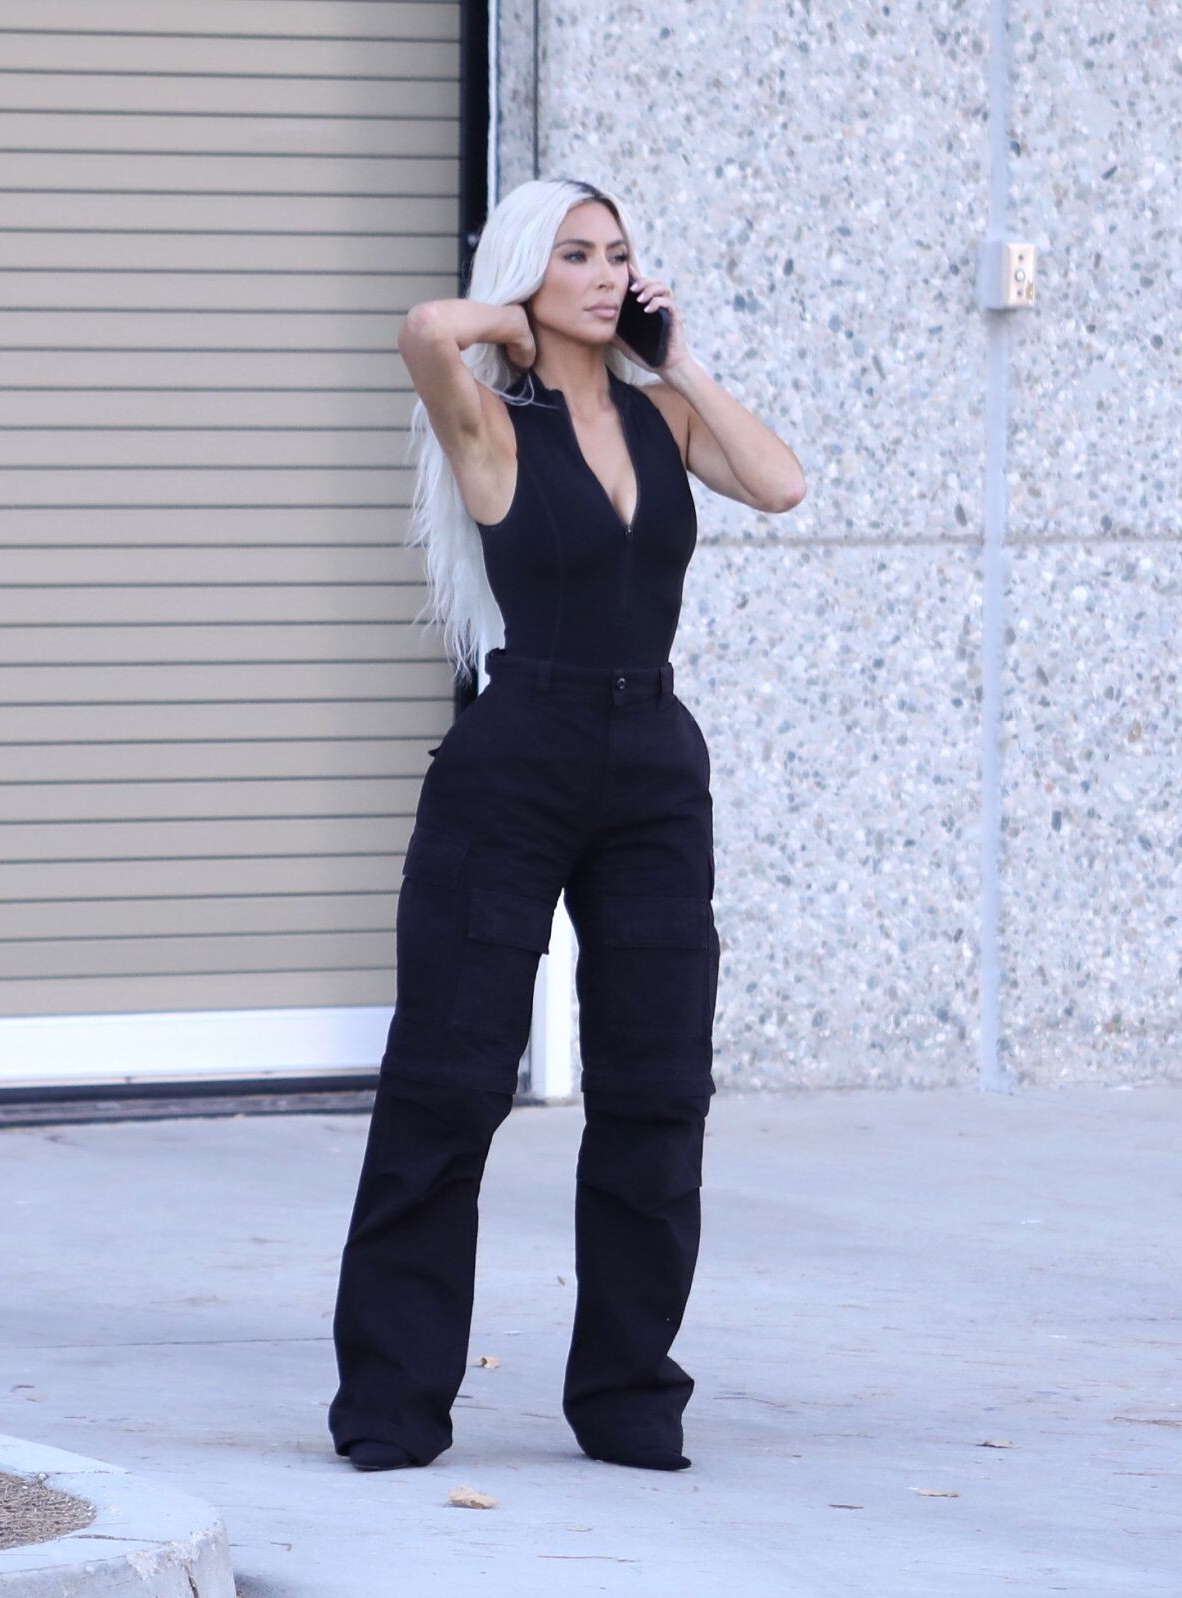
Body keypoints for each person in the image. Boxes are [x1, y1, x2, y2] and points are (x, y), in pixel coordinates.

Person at [326, 177, 806, 1474]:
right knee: (450, 1082)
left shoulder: (662, 417)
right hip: (517, 755)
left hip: (653, 762)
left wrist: (678, 356)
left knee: (659, 1088)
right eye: (576, 255)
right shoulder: (491, 423)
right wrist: (517, 323)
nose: (605, 275)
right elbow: (425, 329)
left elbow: (781, 483)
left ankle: (628, 1397)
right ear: (530, 268)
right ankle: (392, 1404)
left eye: (619, 256)